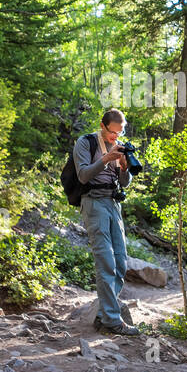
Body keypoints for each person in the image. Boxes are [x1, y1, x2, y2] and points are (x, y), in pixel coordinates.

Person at [74, 109, 139, 336]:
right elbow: (83, 175)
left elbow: (125, 182)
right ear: (103, 125)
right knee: (105, 262)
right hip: (93, 203)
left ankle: (103, 316)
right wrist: (105, 159)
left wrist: (123, 166)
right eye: (113, 132)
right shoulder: (86, 143)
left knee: (120, 263)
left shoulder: (119, 145)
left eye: (120, 132)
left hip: (113, 204)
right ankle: (113, 320)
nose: (116, 137)